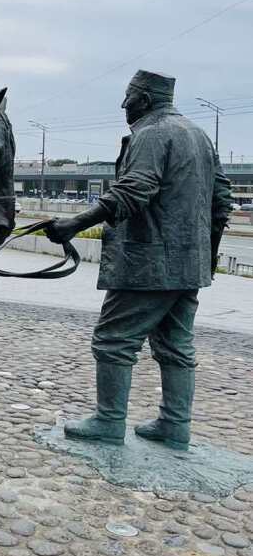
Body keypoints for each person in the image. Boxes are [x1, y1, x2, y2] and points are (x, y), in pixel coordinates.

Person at [46, 70, 233, 450]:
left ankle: (109, 421)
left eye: (128, 97)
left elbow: (133, 190)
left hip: (148, 262)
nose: (123, 105)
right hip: (189, 265)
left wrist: (74, 224)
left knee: (113, 340)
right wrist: (205, 258)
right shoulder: (198, 135)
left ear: (144, 99)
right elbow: (222, 201)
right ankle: (174, 425)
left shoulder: (152, 133)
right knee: (175, 345)